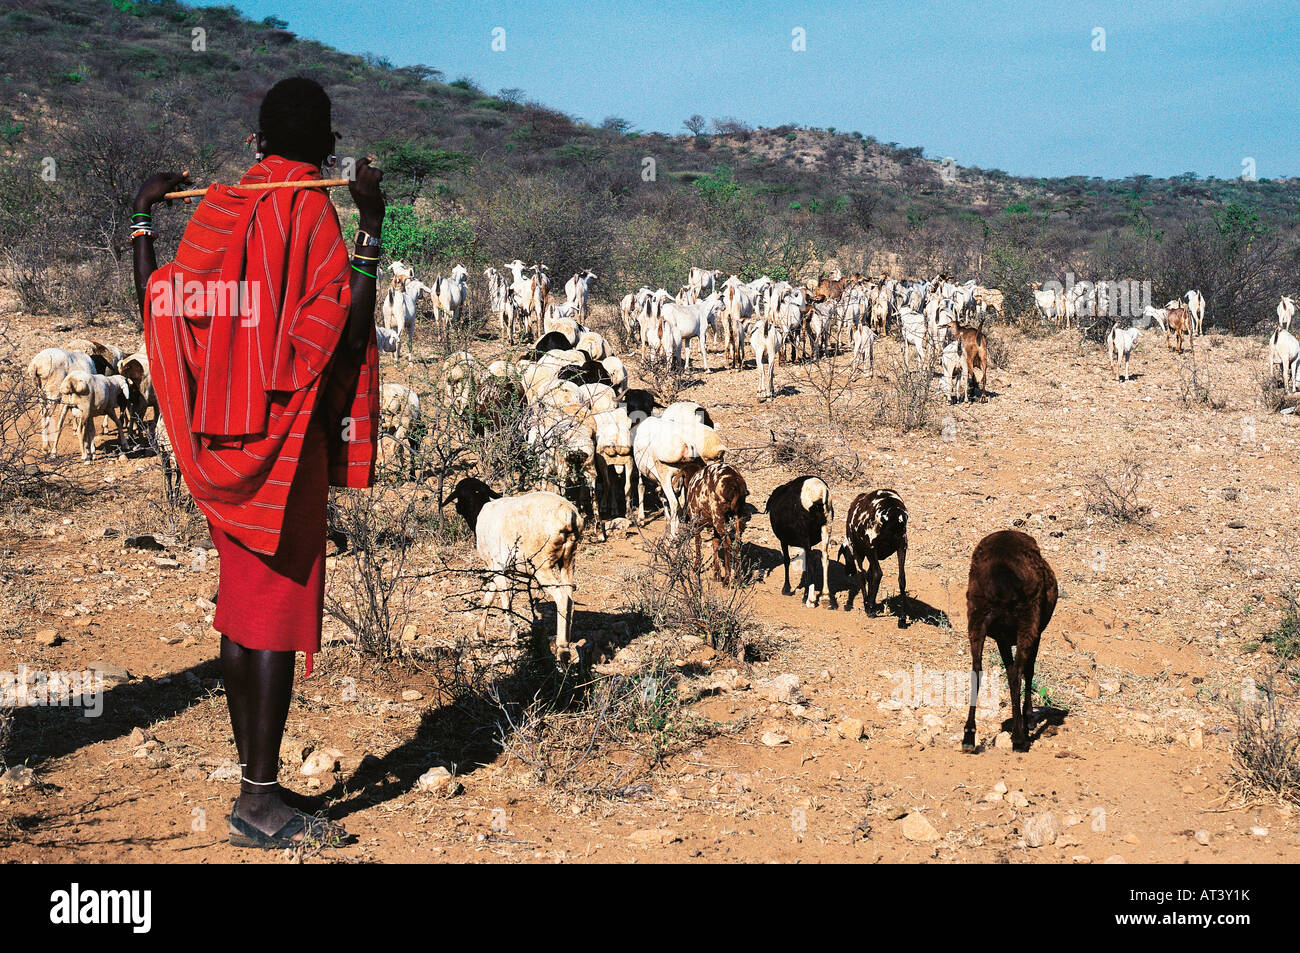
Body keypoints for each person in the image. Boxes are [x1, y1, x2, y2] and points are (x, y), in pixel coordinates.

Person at [132, 77, 384, 848]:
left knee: (244, 614)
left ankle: (255, 783)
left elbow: (158, 305)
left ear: (255, 142)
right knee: (272, 616)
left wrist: (143, 215)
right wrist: (372, 226)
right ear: (328, 147)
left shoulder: (215, 209)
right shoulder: (314, 211)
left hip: (222, 447)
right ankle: (260, 803)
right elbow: (342, 332)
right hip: (284, 448)